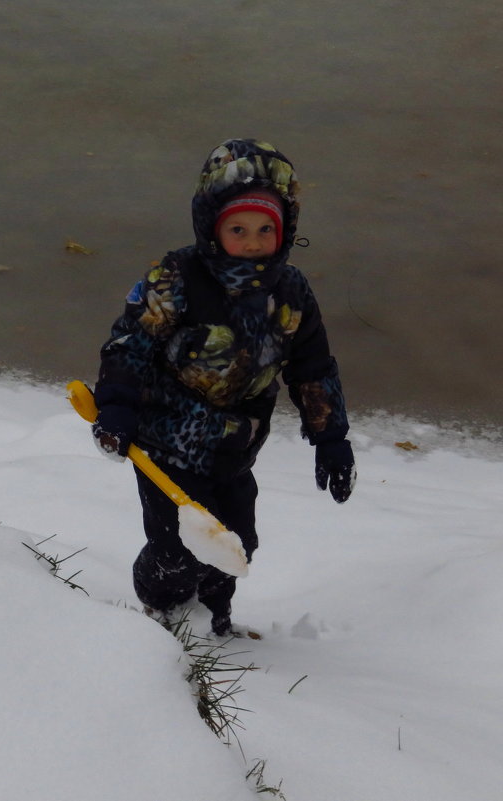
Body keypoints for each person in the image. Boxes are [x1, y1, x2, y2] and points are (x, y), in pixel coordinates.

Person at [91, 138, 355, 637]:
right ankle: (160, 612)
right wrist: (118, 407)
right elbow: (129, 344)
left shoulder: (291, 291)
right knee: (176, 550)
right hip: (167, 443)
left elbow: (312, 368)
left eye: (264, 230)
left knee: (236, 546)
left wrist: (331, 440)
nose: (253, 242)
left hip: (236, 448)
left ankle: (215, 619)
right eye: (238, 229)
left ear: (285, 230)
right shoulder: (176, 277)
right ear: (212, 227)